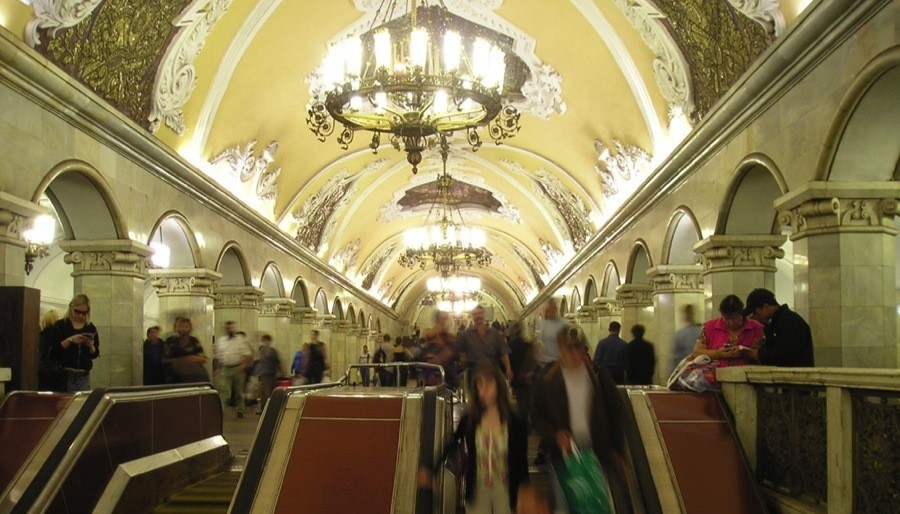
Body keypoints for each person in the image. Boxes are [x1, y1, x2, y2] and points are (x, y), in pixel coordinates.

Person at [531, 327, 630, 512]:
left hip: (597, 457)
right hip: (565, 461)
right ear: (560, 350)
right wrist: (555, 434)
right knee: (566, 507)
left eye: (579, 349)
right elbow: (536, 417)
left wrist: (618, 452)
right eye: (569, 349)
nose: (574, 354)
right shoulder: (547, 381)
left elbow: (617, 414)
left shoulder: (599, 377)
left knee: (597, 506)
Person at [425, 362, 529, 513]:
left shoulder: (515, 420)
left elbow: (521, 458)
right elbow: (451, 444)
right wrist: (432, 470)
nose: (483, 390)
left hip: (506, 489)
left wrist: (525, 490)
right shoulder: (471, 419)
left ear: (499, 386)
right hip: (478, 488)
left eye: (488, 384)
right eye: (479, 384)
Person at [38, 294, 99, 392]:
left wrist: (91, 346)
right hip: (64, 374)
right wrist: (69, 340)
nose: (80, 316)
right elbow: (53, 352)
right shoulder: (61, 325)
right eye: (77, 312)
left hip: (83, 375)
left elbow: (94, 354)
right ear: (71, 308)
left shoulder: (90, 327)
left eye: (84, 313)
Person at [743, 288, 815, 367]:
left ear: (765, 307)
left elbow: (786, 354)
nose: (753, 317)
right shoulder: (775, 323)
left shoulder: (789, 321)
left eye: (755, 313)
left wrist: (759, 354)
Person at [692, 295, 764, 367]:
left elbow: (765, 356)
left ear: (742, 314)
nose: (731, 322)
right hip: (715, 375)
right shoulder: (708, 327)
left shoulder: (757, 328)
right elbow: (696, 353)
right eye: (727, 318)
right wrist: (718, 353)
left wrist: (746, 353)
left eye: (735, 318)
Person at [457, 305, 513, 386]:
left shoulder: (494, 334)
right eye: (475, 314)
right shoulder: (466, 335)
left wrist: (508, 369)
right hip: (473, 373)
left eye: (480, 313)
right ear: (472, 316)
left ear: (484, 315)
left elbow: (503, 352)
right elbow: (459, 352)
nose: (478, 316)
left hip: (492, 372)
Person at [215, 321, 253, 418]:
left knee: (239, 391)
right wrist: (217, 368)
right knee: (223, 389)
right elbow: (219, 356)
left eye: (231, 328)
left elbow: (247, 354)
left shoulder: (240, 340)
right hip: (225, 368)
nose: (230, 330)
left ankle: (240, 410)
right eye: (228, 328)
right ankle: (220, 409)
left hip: (238, 367)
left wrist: (244, 365)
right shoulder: (221, 341)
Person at [507, 321, 537, 429]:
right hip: (527, 377)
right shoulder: (527, 344)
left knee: (521, 403)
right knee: (527, 402)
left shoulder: (510, 345)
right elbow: (534, 360)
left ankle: (523, 425)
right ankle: (527, 424)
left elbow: (508, 362)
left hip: (516, 378)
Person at [164, 317, 209, 383]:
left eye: (186, 326)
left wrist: (194, 358)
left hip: (194, 377)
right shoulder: (170, 341)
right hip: (175, 377)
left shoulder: (194, 341)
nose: (183, 329)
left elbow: (204, 359)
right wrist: (182, 360)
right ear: (176, 327)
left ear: (190, 328)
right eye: (181, 326)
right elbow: (164, 360)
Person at [422, 310, 458, 388]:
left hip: (449, 376)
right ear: (437, 320)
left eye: (445, 318)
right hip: (434, 377)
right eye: (442, 318)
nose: (444, 321)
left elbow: (453, 351)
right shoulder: (431, 334)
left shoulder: (449, 337)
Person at [255, 334, 284, 414]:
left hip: (270, 373)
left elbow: (277, 362)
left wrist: (282, 372)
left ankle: (269, 409)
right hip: (263, 373)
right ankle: (263, 409)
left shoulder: (272, 351)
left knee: (268, 392)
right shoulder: (262, 350)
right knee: (262, 392)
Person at [670, 305, 702, 375]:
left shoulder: (680, 334)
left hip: (684, 373)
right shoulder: (701, 331)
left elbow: (674, 360)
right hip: (700, 372)